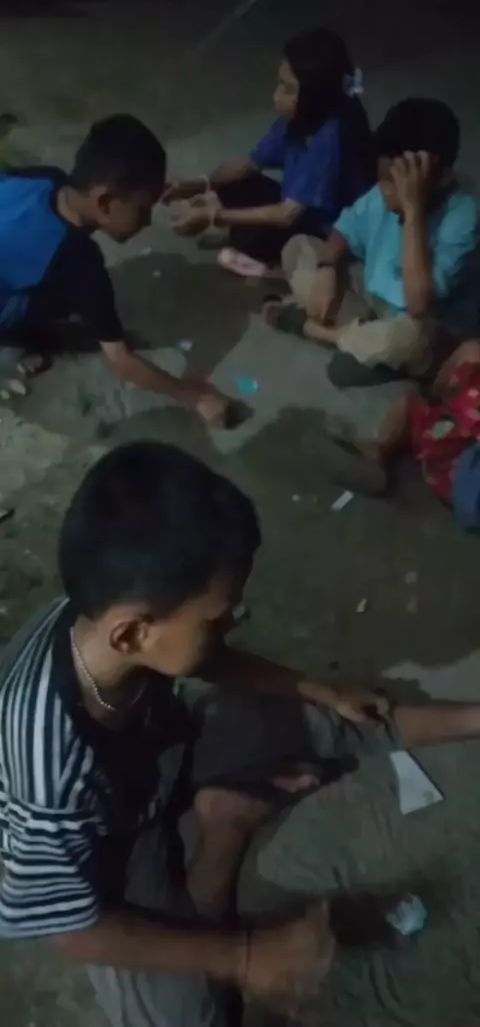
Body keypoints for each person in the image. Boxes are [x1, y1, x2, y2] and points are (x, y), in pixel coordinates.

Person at [4, 442, 480, 1026]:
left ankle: (472, 719)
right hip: (113, 851)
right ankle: (224, 827)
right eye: (217, 617)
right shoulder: (50, 776)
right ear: (132, 633)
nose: (233, 622)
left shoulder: (107, 620)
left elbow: (210, 661)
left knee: (326, 714)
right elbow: (71, 928)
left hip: (158, 756)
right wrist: (248, 955)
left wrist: (318, 688)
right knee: (192, 1014)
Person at [0, 114, 230, 425]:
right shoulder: (79, 265)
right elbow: (122, 362)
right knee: (60, 299)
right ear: (106, 202)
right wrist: (195, 397)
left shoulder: (47, 177)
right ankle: (14, 338)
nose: (147, 221)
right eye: (143, 209)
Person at [270, 98, 479, 388]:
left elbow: (419, 305)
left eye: (395, 184)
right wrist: (327, 268)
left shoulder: (464, 217)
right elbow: (345, 229)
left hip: (418, 324)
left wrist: (413, 210)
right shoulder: (382, 191)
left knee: (409, 338)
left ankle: (320, 332)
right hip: (372, 301)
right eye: (384, 181)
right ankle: (358, 342)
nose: (385, 192)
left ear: (441, 177)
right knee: (298, 248)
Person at [165, 28, 373, 278]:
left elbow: (287, 215)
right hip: (302, 209)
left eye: (287, 89)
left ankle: (273, 270)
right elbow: (248, 164)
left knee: (265, 237)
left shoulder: (332, 138)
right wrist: (195, 185)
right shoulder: (303, 118)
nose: (276, 96)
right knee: (235, 186)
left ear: (313, 96)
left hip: (330, 231)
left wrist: (214, 216)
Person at [321, 339, 480, 523]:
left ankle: (377, 453)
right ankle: (378, 454)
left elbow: (435, 392)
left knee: (410, 403)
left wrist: (436, 395)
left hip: (450, 466)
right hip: (459, 478)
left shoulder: (471, 357)